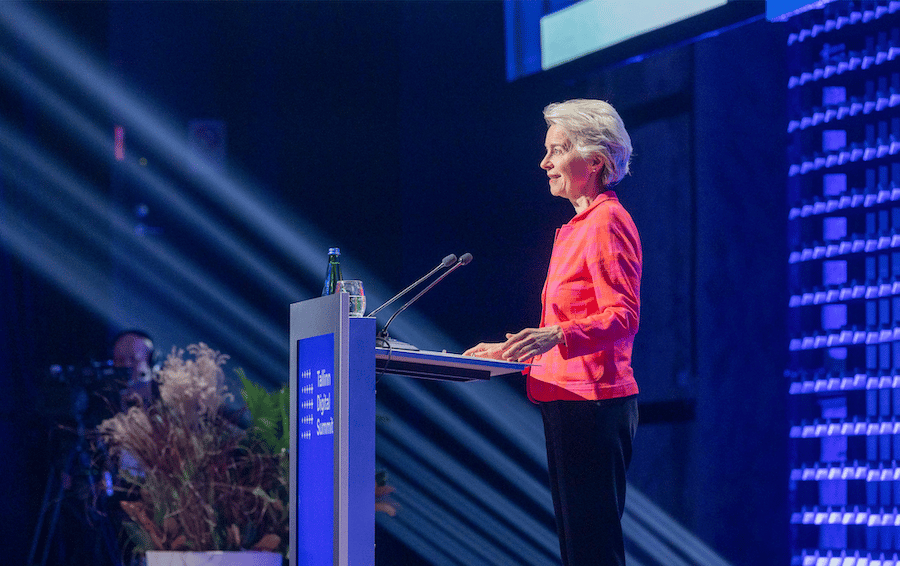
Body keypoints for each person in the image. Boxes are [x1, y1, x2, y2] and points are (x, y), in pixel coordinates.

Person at [464, 99, 641, 566]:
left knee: (593, 552)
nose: (544, 163)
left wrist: (555, 335)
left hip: (593, 403)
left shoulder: (606, 222)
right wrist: (509, 349)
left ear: (595, 161)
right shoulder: (579, 226)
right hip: (567, 399)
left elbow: (623, 316)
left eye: (557, 150)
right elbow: (563, 325)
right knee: (578, 551)